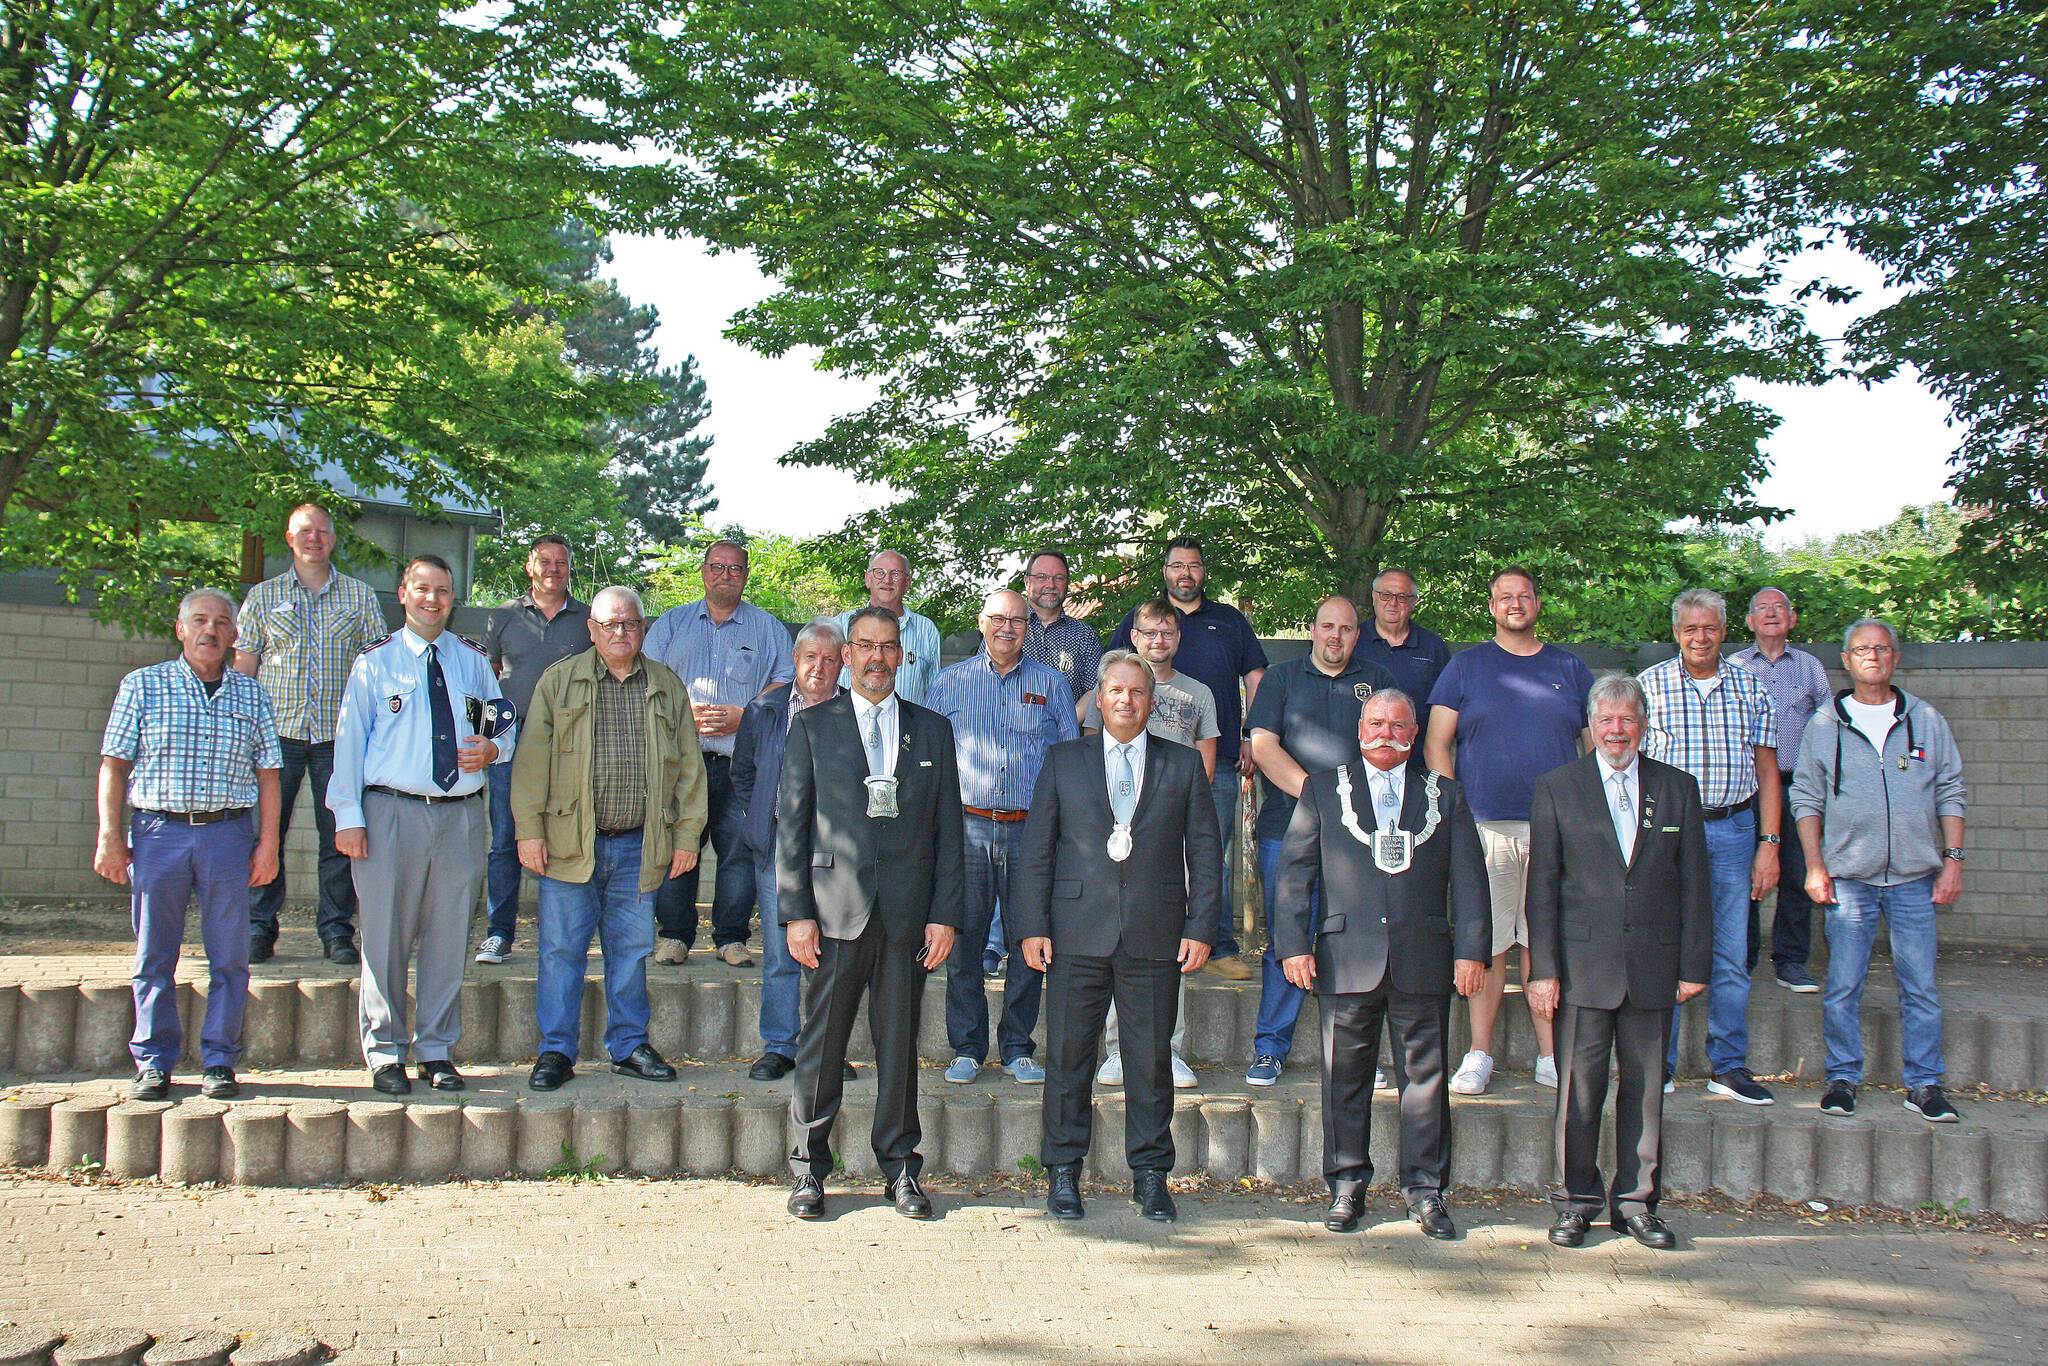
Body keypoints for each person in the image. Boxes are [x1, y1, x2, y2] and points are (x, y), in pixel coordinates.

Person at [1011, 651, 1220, 1223]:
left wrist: (1201, 926)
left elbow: (1204, 852)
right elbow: (1036, 852)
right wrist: (1030, 926)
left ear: (1151, 703)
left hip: (1155, 933)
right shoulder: (1063, 761)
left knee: (1150, 1061)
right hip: (1076, 932)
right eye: (1116, 691)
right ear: (1098, 699)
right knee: (1069, 1057)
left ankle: (1151, 1175)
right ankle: (1062, 1172)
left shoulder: (1181, 765)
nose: (1126, 700)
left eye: (1137, 692)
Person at [1272, 690, 1489, 1238]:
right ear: (1359, 727)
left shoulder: (1446, 795)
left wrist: (1471, 950)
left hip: (1424, 954)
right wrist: (1293, 945)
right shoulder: (1323, 789)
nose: (1385, 732)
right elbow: (1296, 873)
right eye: (1375, 723)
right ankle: (1347, 1186)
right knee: (1343, 1076)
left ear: (1415, 735)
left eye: (1398, 724)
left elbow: (1469, 879)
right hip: (1346, 957)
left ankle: (1426, 1190)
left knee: (1425, 1077)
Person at [780, 607, 965, 1221]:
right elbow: (794, 828)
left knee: (898, 1047)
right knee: (822, 1046)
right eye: (866, 646)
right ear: (848, 653)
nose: (878, 658)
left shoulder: (932, 730)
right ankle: (809, 1171)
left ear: (903, 655)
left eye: (889, 648)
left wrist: (944, 915)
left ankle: (901, 1171)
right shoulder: (812, 726)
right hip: (833, 914)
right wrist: (795, 913)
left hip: (908, 917)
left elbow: (948, 832)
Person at [1526, 673, 1710, 1252]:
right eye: (1606, 719)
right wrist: (1544, 970)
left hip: (1654, 967)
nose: (1617, 729)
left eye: (1627, 719)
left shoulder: (1677, 789)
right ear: (1591, 727)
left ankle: (1636, 1204)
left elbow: (1695, 887)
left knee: (1646, 1091)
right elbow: (1543, 889)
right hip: (1581, 969)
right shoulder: (1558, 787)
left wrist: (1693, 964)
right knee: (1578, 1092)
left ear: (1644, 726)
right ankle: (1576, 1202)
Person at [328, 555, 516, 1096]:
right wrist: (349, 817)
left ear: (453, 598)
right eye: (422, 589)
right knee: (385, 935)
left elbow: (499, 725)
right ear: (403, 594)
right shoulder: (375, 663)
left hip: (458, 816)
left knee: (448, 935)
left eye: (443, 591)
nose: (432, 599)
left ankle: (436, 1049)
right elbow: (349, 745)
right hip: (390, 811)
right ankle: (385, 1051)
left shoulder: (472, 662)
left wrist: (492, 748)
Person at [513, 587, 706, 1092]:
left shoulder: (666, 685)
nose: (620, 633)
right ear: (592, 629)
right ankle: (556, 1050)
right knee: (560, 950)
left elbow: (690, 769)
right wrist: (529, 831)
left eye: (630, 624)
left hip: (638, 845)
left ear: (643, 629)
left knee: (632, 949)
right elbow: (531, 763)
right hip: (567, 844)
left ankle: (628, 1044)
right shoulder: (559, 683)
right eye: (610, 624)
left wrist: (686, 836)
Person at [98, 589, 283, 1101]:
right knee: (155, 952)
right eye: (199, 620)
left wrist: (268, 844)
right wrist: (110, 835)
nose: (211, 630)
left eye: (222, 623)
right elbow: (114, 765)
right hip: (160, 834)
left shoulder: (252, 695)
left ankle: (220, 1060)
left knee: (230, 956)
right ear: (180, 629)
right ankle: (154, 1061)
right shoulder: (143, 685)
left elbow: (269, 775)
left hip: (228, 835)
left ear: (234, 635)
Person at [1792, 618, 1968, 1125]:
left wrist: (1953, 862)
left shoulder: (1926, 720)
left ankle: (1925, 1084)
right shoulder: (1826, 723)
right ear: (1845, 661)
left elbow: (1950, 790)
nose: (1872, 656)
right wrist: (1815, 865)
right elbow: (1806, 798)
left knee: (1920, 985)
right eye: (1861, 649)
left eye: (1882, 648)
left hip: (1915, 878)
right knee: (1843, 984)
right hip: (1849, 879)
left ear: (1895, 657)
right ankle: (1842, 1077)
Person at [1424, 565, 1592, 1095]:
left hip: (1555, 829)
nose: (1515, 603)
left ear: (1538, 604)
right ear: (1491, 606)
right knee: (1488, 941)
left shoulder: (1570, 666)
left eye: (1524, 596)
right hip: (1485, 825)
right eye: (1504, 596)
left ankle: (1550, 1054)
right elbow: (1435, 745)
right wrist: (1457, 810)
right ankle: (1479, 1054)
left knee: (1544, 941)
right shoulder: (1465, 667)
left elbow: (1592, 749)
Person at [925, 589, 1079, 1086]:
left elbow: (1068, 761)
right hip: (965, 828)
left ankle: (1016, 1046)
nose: (1006, 627)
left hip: (1031, 832)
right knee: (963, 939)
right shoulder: (949, 683)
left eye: (1016, 619)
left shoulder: (1051, 683)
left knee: (1028, 938)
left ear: (1028, 625)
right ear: (981, 621)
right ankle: (967, 1046)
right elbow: (930, 760)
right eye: (997, 618)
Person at [1243, 594, 1396, 1085]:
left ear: (1357, 634)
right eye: (1327, 626)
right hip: (1285, 831)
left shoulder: (1378, 681)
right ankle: (1270, 1049)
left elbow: (1390, 748)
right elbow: (1264, 748)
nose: (1335, 636)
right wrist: (1322, 799)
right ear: (1312, 629)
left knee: (1354, 943)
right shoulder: (1282, 679)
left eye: (1346, 629)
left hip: (1360, 839)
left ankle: (1355, 1055)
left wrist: (1344, 811)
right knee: (1286, 938)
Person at [1638, 588, 1782, 1104]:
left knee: (1729, 951)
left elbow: (1768, 771)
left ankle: (1728, 1065)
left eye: (1710, 628)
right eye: (1690, 629)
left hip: (1733, 831)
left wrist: (1770, 843)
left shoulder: (1750, 687)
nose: (1700, 638)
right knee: (1663, 947)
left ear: (1725, 631)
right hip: (1667, 836)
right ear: (1676, 633)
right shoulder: (1648, 688)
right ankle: (1661, 1063)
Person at [234, 503, 385, 965]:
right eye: (305, 531)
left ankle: (337, 931)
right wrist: (243, 736)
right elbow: (244, 669)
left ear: (334, 539)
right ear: (289, 538)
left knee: (338, 838)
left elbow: (378, 671)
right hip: (275, 739)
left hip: (338, 741)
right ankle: (259, 928)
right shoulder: (263, 597)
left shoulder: (359, 597)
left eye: (322, 531)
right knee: (265, 835)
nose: (314, 538)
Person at [1110, 537, 1267, 979]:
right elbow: (1112, 670)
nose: (1185, 573)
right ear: (1165, 571)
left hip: (1215, 758)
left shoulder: (1228, 621)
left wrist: (1253, 734)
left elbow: (1256, 675)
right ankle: (1148, 940)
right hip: (1140, 767)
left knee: (1209, 854)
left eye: (1193, 566)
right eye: (1177, 565)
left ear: (1203, 572)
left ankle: (1217, 945)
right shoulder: (1141, 619)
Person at [1079, 597, 1218, 1089]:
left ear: (1179, 638)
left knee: (1164, 938)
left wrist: (1174, 813)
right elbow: (1090, 749)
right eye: (1148, 632)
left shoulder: (1199, 692)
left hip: (1169, 826)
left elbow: (1204, 759)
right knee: (1115, 932)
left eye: (1168, 632)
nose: (1158, 640)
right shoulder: (1113, 680)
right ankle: (1117, 1049)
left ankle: (1167, 1047)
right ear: (1133, 636)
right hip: (1113, 833)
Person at [643, 539, 794, 967]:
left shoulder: (767, 629)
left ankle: (731, 937)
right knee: (680, 847)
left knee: (740, 851)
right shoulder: (672, 624)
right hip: (682, 763)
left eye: (735, 569)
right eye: (717, 566)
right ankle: (674, 935)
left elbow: (787, 682)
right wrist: (681, 710)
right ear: (704, 571)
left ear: (745, 575)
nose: (725, 575)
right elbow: (648, 677)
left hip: (742, 764)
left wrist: (746, 715)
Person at [734, 619, 848, 1080]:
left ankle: (826, 1049)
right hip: (779, 846)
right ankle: (780, 1044)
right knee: (782, 952)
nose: (819, 667)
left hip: (840, 852)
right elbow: (743, 774)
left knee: (835, 955)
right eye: (810, 657)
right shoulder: (764, 710)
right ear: (795, 661)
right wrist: (764, 813)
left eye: (829, 658)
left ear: (843, 663)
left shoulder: (857, 712)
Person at [476, 534, 591, 965]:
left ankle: (561, 936)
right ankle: (498, 933)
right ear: (529, 566)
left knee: (565, 837)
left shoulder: (588, 619)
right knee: (506, 837)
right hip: (511, 741)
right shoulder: (503, 617)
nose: (553, 569)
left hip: (569, 744)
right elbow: (485, 682)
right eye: (544, 561)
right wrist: (488, 740)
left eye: (561, 562)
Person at [1730, 587, 1833, 993]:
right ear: (1750, 622)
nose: (1771, 614)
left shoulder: (1810, 668)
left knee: (1796, 872)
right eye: (1762, 609)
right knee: (1744, 876)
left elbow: (1829, 728)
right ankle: (1743, 958)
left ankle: (1790, 960)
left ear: (1791, 619)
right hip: (1745, 787)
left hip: (1796, 786)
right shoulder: (1734, 665)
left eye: (1779, 608)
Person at [1356, 569, 1451, 767]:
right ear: (1374, 597)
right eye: (1386, 595)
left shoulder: (1433, 648)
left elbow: (1446, 708)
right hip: (1359, 765)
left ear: (1414, 601)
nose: (1393, 603)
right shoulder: (1353, 641)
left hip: (1417, 765)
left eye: (1402, 597)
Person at [833, 549, 944, 705]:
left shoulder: (927, 630)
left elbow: (935, 693)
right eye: (879, 572)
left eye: (896, 573)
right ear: (867, 579)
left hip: (907, 728)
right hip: (847, 725)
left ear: (907, 583)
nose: (887, 580)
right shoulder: (838, 626)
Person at [1022, 548, 1103, 708]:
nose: (1050, 584)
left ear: (1067, 583)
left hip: (1070, 731)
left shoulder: (1086, 636)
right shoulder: (1006, 630)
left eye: (1058, 578)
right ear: (1027, 582)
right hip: (1011, 730)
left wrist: (1066, 724)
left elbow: (1095, 690)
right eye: (1041, 577)